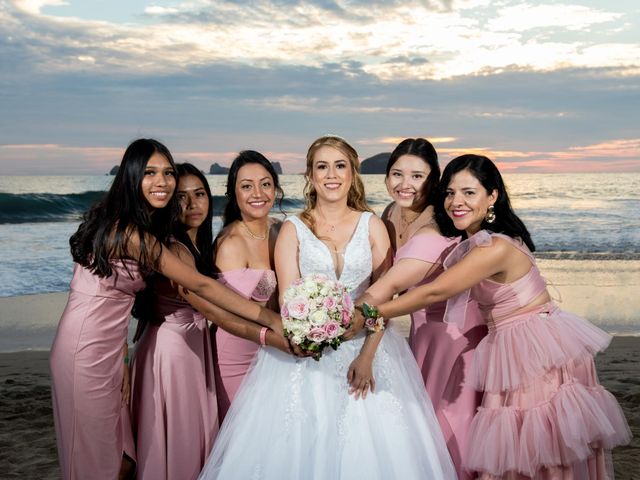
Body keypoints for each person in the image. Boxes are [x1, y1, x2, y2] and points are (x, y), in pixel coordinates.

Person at [198, 135, 456, 479]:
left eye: (339, 165)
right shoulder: (292, 229)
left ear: (353, 173)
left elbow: (386, 299)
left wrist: (366, 357)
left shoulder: (373, 225)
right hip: (305, 357)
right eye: (322, 166)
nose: (331, 175)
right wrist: (309, 336)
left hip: (368, 349)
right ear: (310, 175)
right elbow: (290, 303)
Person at [364, 154, 631, 479]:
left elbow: (435, 292)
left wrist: (369, 311)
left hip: (532, 350)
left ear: (493, 196)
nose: (456, 202)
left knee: (537, 448)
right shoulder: (478, 241)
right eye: (449, 193)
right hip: (517, 343)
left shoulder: (495, 247)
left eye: (468, 192)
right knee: (522, 445)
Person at [49, 139, 283, 480]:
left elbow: (126, 307)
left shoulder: (144, 227)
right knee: (96, 454)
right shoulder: (129, 233)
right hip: (83, 348)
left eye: (167, 173)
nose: (162, 181)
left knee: (125, 454)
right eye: (150, 173)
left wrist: (124, 358)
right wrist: (269, 319)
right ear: (131, 177)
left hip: (110, 347)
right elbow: (201, 287)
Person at [364, 137, 486, 479]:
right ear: (386, 177)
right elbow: (380, 278)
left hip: (453, 337)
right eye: (397, 174)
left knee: (447, 426)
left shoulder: (434, 227)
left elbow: (386, 290)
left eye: (417, 176)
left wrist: (335, 319)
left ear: (433, 180)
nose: (405, 185)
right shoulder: (391, 214)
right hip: (421, 334)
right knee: (420, 426)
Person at [128, 163, 219, 480]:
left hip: (183, 343)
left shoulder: (197, 245)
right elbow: (210, 304)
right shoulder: (173, 247)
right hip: (173, 351)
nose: (193, 205)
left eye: (200, 194)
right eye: (181, 197)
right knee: (179, 437)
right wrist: (267, 329)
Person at [213, 150, 283, 421]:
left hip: (276, 349)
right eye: (246, 186)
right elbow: (228, 313)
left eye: (265, 184)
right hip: (239, 354)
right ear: (234, 193)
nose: (258, 193)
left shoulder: (280, 230)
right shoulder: (230, 243)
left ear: (275, 189)